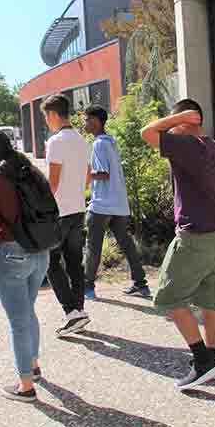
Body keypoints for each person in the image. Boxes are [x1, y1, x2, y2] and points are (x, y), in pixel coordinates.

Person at [141, 99, 215, 390]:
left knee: (167, 298)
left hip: (195, 237)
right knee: (209, 299)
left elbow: (147, 134)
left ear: (188, 120)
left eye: (175, 121)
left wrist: (175, 120)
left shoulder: (188, 146)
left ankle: (203, 360)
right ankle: (214, 361)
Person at [0, 129, 51, 403]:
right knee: (28, 312)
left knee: (18, 321)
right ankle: (33, 366)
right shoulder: (29, 171)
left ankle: (26, 386)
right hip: (40, 253)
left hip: (11, 255)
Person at [82, 105, 148, 299]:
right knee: (126, 244)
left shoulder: (99, 144)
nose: (84, 123)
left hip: (102, 205)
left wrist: (83, 173)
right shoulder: (110, 141)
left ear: (95, 121)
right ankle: (141, 284)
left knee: (93, 246)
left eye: (86, 119)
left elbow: (103, 174)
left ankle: (88, 288)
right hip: (118, 204)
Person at [42, 94, 91, 337]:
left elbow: (52, 182)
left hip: (59, 212)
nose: (47, 122)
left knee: (50, 262)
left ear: (52, 114)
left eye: (46, 117)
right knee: (74, 263)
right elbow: (89, 176)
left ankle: (71, 312)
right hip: (77, 209)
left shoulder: (56, 141)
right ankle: (79, 310)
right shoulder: (82, 140)